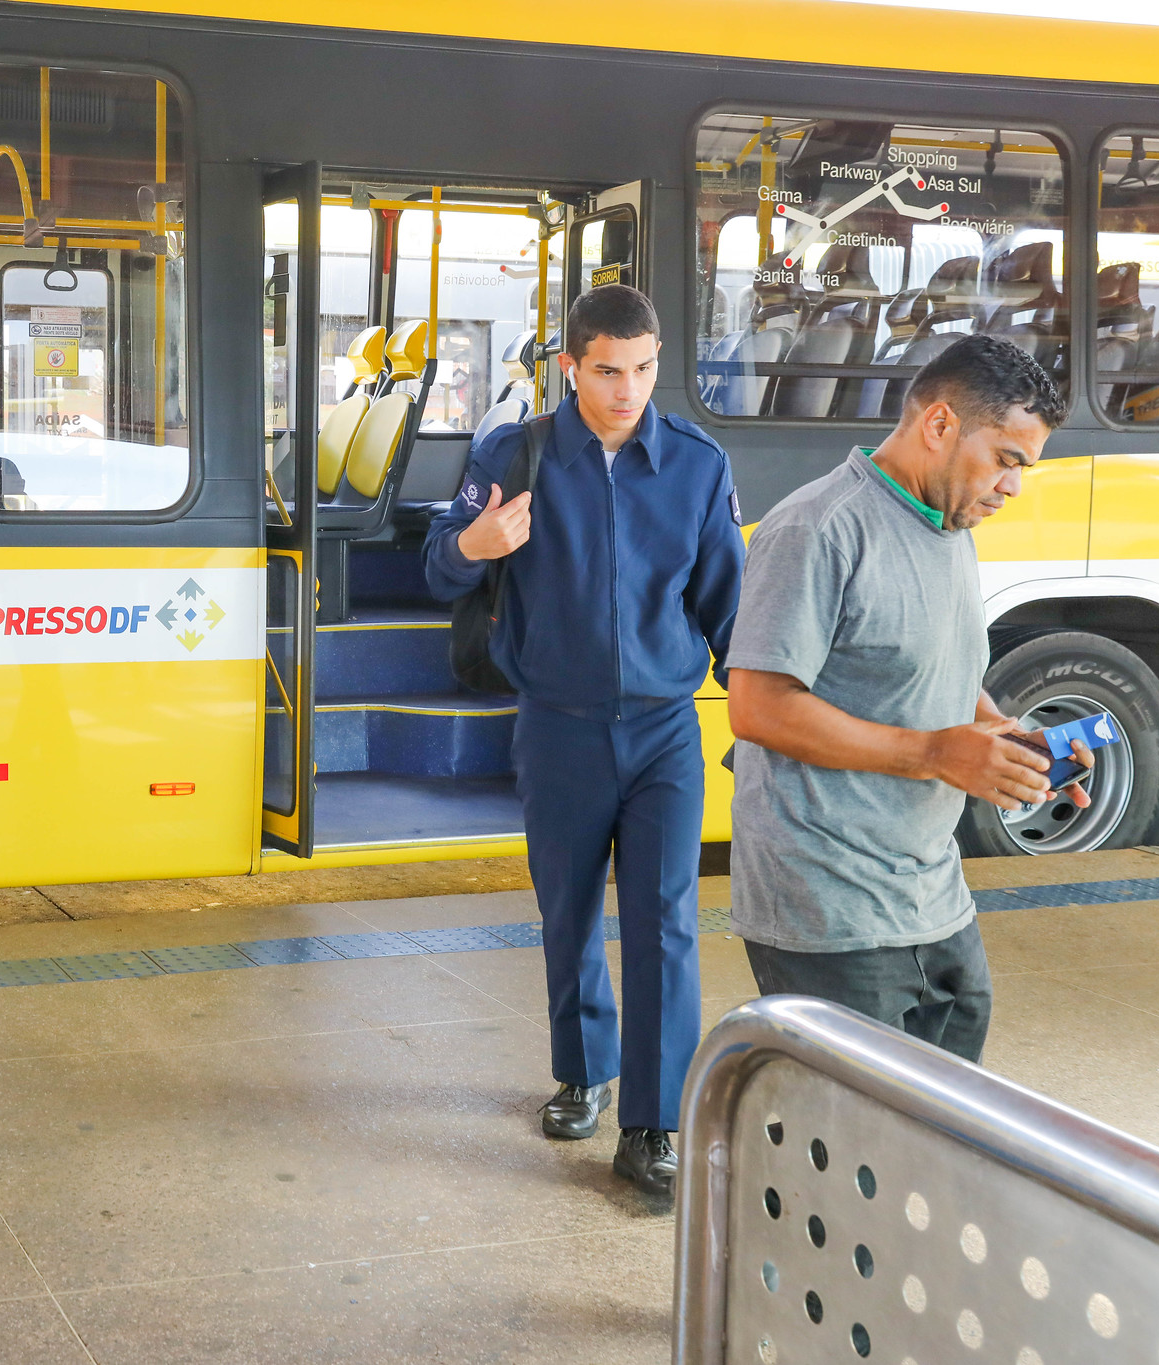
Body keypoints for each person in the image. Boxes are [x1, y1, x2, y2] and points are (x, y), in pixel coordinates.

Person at [425, 285, 745, 1198]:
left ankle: (652, 1122)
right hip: (557, 727)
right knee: (567, 913)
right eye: (608, 371)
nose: (628, 390)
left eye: (643, 370)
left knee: (664, 922)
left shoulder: (694, 463)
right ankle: (584, 1069)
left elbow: (727, 603)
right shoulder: (513, 453)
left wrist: (763, 714)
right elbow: (437, 567)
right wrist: (477, 543)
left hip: (663, 733)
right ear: (570, 367)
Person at [726, 334, 1089, 1063]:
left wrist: (1002, 738)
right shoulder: (817, 528)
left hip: (931, 894)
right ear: (940, 425)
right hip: (830, 906)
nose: (1012, 486)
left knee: (944, 1133)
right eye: (1006, 459)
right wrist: (932, 752)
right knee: (856, 1152)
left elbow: (927, 661)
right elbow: (758, 707)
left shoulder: (950, 522)